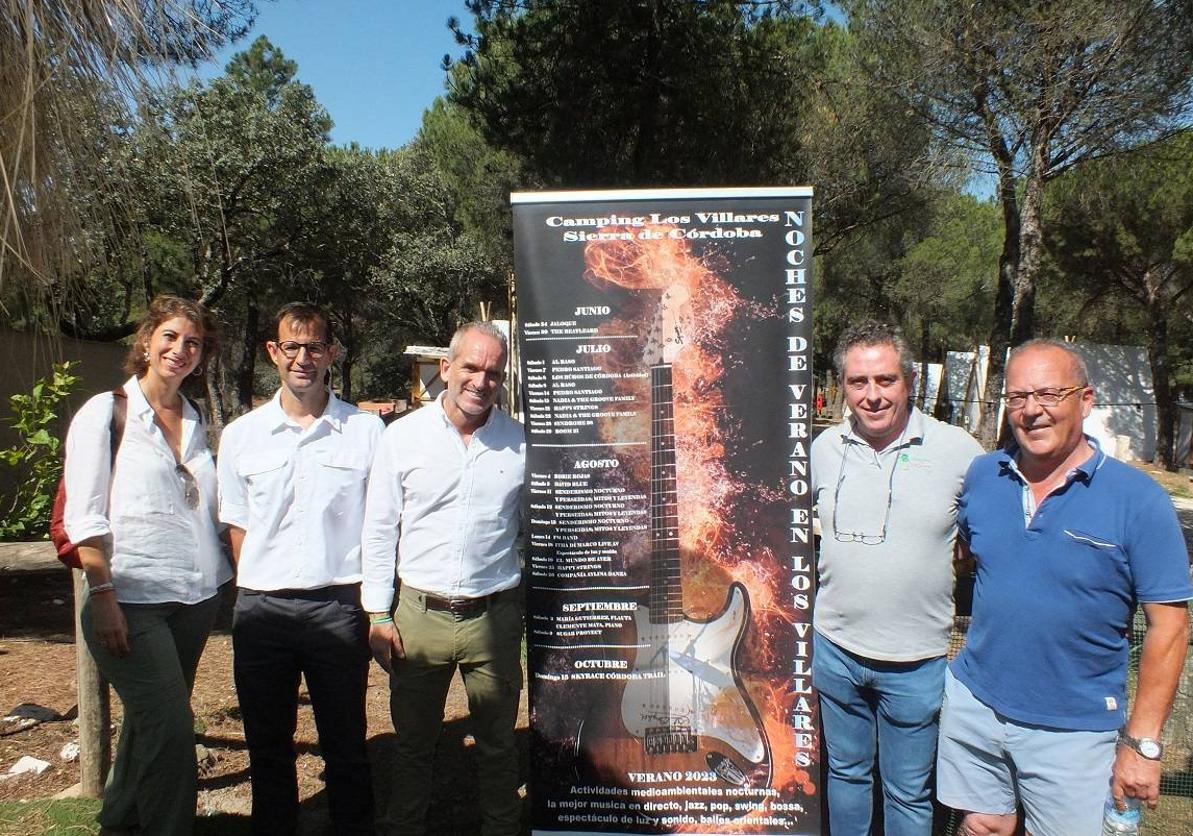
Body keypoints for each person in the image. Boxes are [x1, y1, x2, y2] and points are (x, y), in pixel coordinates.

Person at [937, 339, 1192, 836]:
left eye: (1050, 394)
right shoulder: (985, 476)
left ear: (1087, 400)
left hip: (1075, 728)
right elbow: (966, 556)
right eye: (1017, 397)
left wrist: (1142, 746)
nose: (1032, 410)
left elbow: (1171, 626)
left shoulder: (1138, 500)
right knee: (982, 825)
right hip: (975, 703)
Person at [64, 296, 230, 836]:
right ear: (146, 341)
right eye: (171, 337)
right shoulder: (105, 413)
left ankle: (118, 822)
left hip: (195, 599)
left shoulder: (194, 417)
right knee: (172, 730)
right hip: (130, 601)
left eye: (193, 342)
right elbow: (83, 516)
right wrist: (104, 596)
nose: (181, 350)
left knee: (148, 723)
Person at [810, 321, 982, 835]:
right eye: (859, 382)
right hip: (835, 649)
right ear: (842, 385)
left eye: (885, 380)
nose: (872, 395)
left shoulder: (958, 451)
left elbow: (984, 536)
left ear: (908, 381)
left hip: (915, 661)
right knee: (844, 773)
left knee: (908, 793)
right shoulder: (822, 449)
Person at [217, 302, 381, 835]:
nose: (303, 358)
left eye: (314, 346)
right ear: (274, 353)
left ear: (330, 352)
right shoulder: (242, 436)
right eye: (292, 347)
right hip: (262, 610)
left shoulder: (365, 432)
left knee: (346, 745)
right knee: (268, 745)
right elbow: (236, 525)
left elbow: (380, 524)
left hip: (337, 607)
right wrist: (261, 587)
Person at [362, 321, 525, 836]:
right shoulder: (402, 437)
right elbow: (379, 528)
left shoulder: (520, 444)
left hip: (494, 618)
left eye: (493, 373)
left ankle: (501, 827)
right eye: (471, 368)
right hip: (419, 617)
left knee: (499, 745)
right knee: (414, 744)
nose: (481, 381)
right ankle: (406, 825)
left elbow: (532, 527)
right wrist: (378, 613)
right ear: (445, 368)